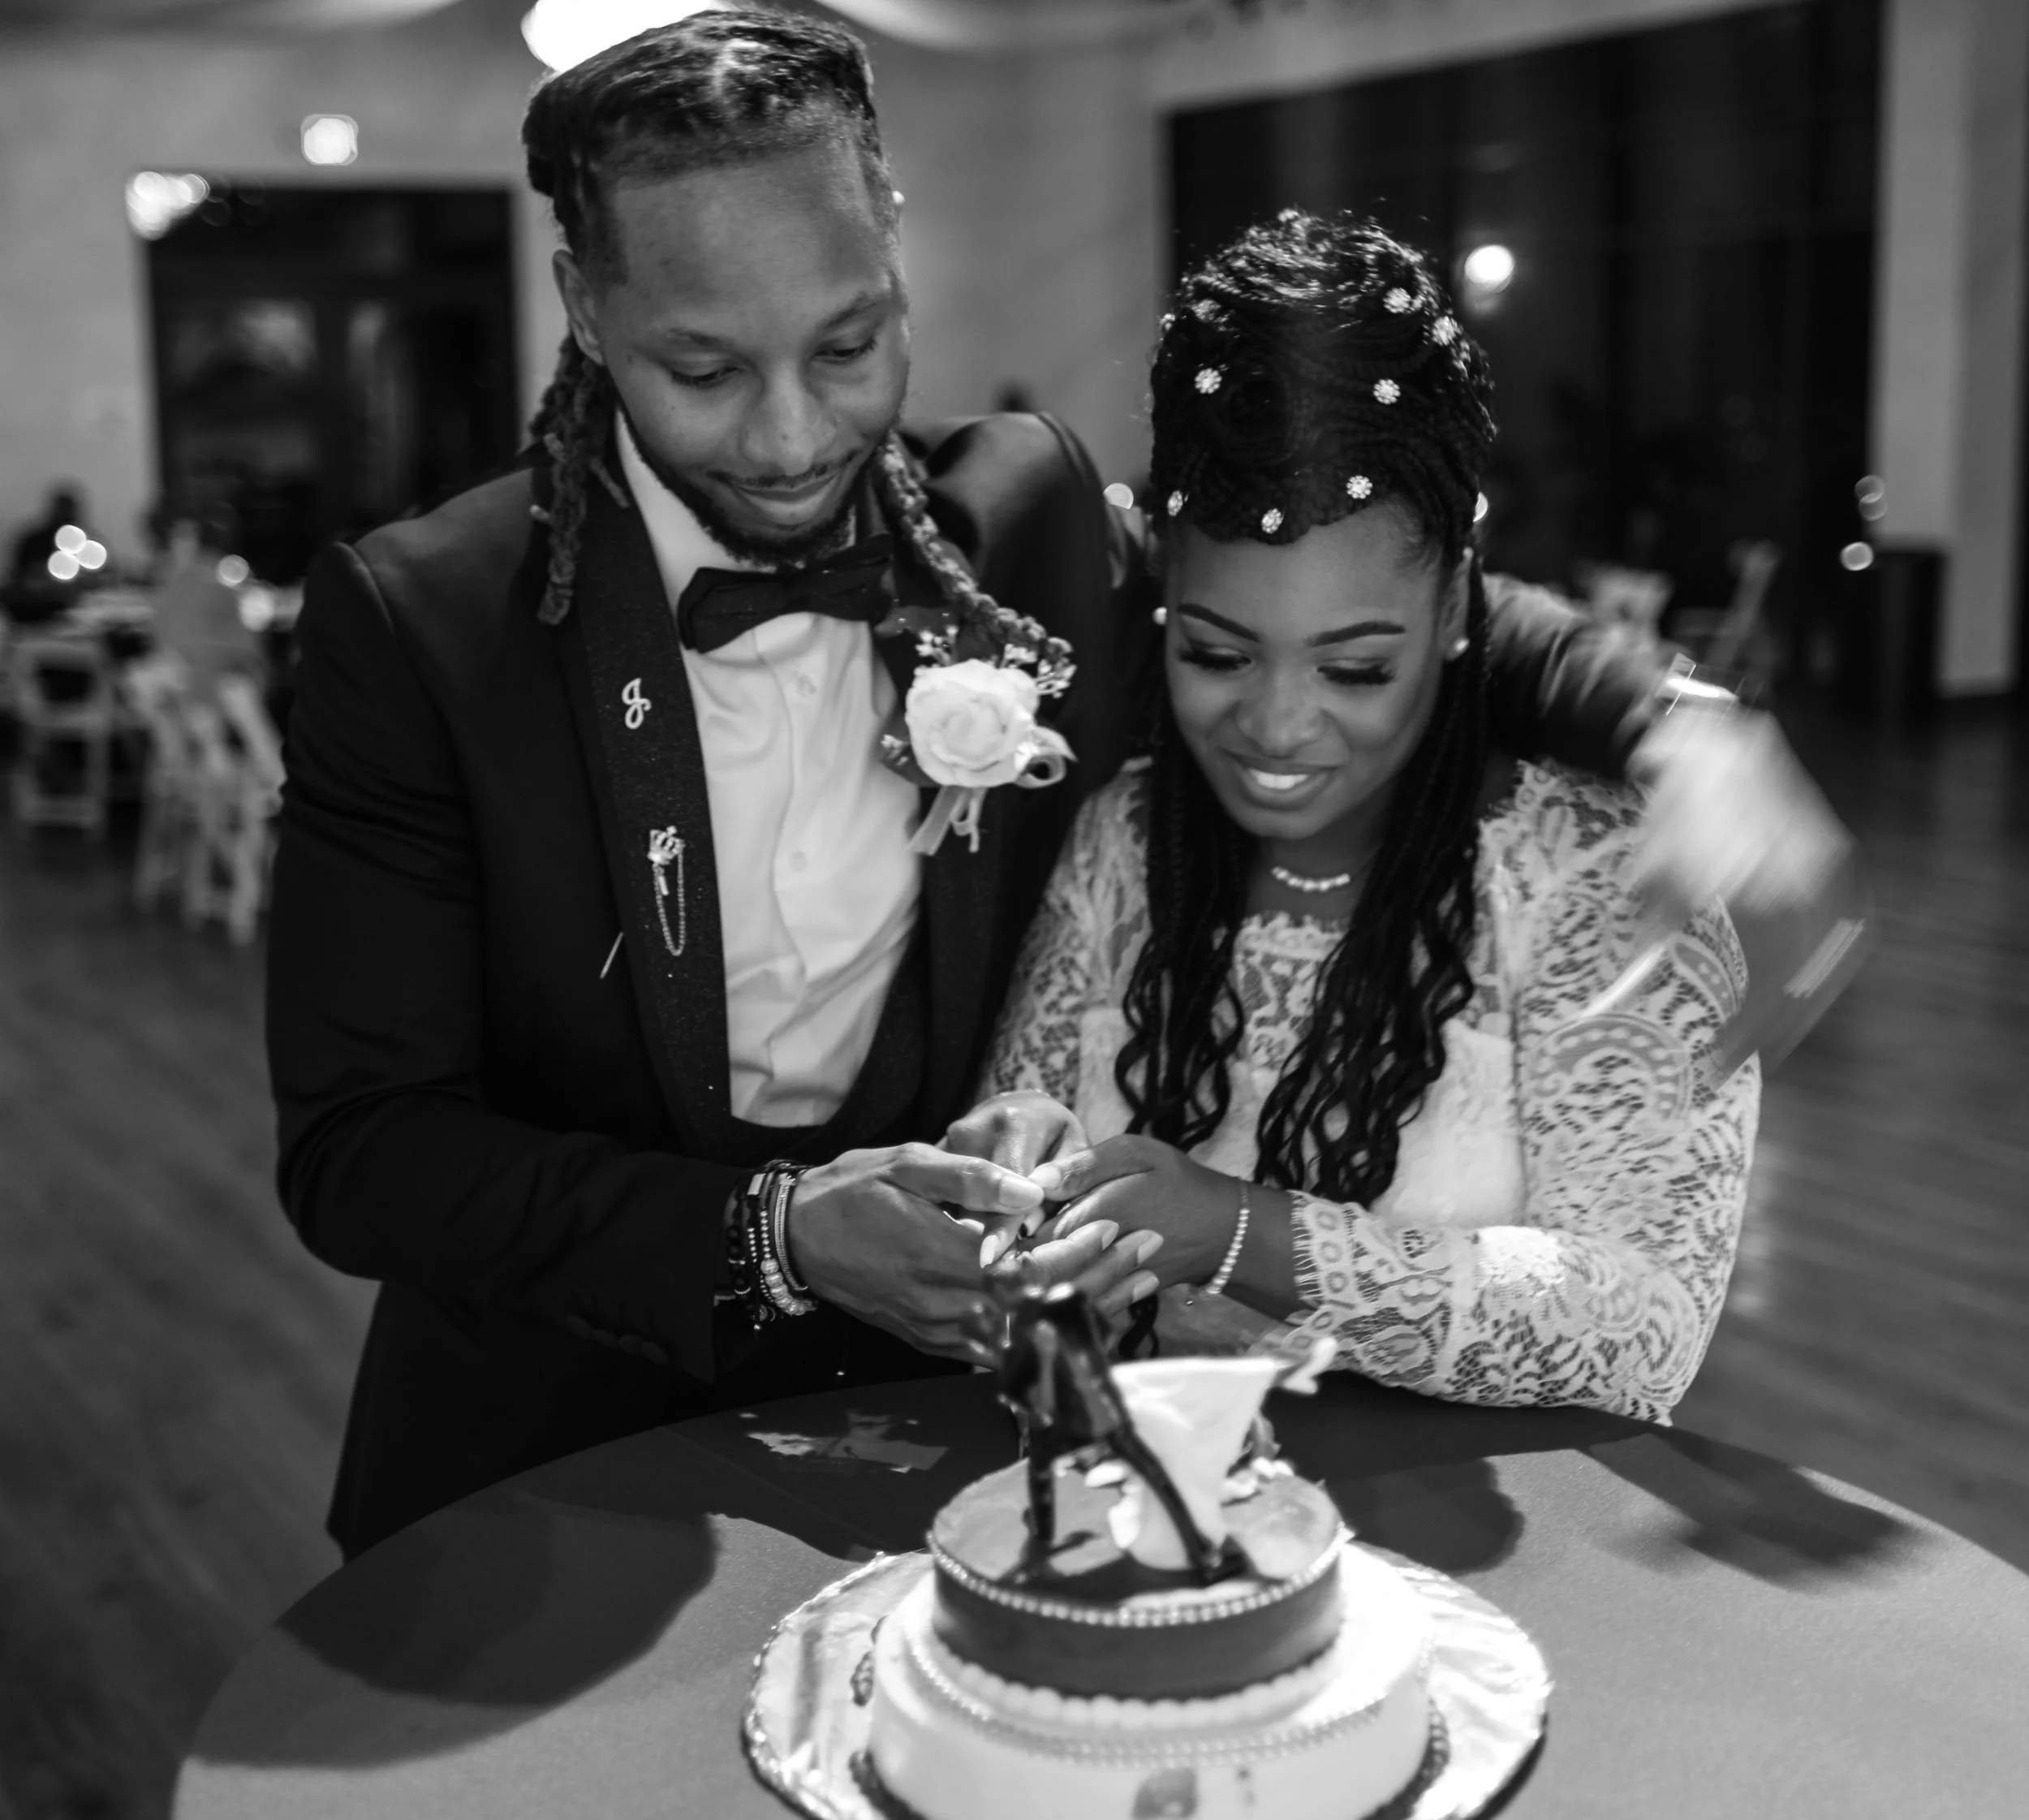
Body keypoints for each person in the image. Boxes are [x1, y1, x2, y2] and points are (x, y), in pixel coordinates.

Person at [266, 13, 1799, 1558]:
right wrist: (776, 1234)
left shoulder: (1019, 527)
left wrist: (1674, 724)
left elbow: (1331, 592)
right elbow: (361, 1149)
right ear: (584, 309)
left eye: (850, 345)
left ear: (895, 258)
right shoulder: (426, 627)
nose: (797, 435)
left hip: (931, 1459)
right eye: (707, 368)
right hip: (550, 1464)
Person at [979, 213, 1759, 1423]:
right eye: (1217, 650)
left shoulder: (1594, 870)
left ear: (1457, 605)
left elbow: (1644, 1322)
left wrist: (1243, 1233)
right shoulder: (1124, 843)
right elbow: (1019, 1285)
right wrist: (1011, 1189)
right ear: (1162, 593)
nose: (1279, 727)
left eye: (1354, 668)